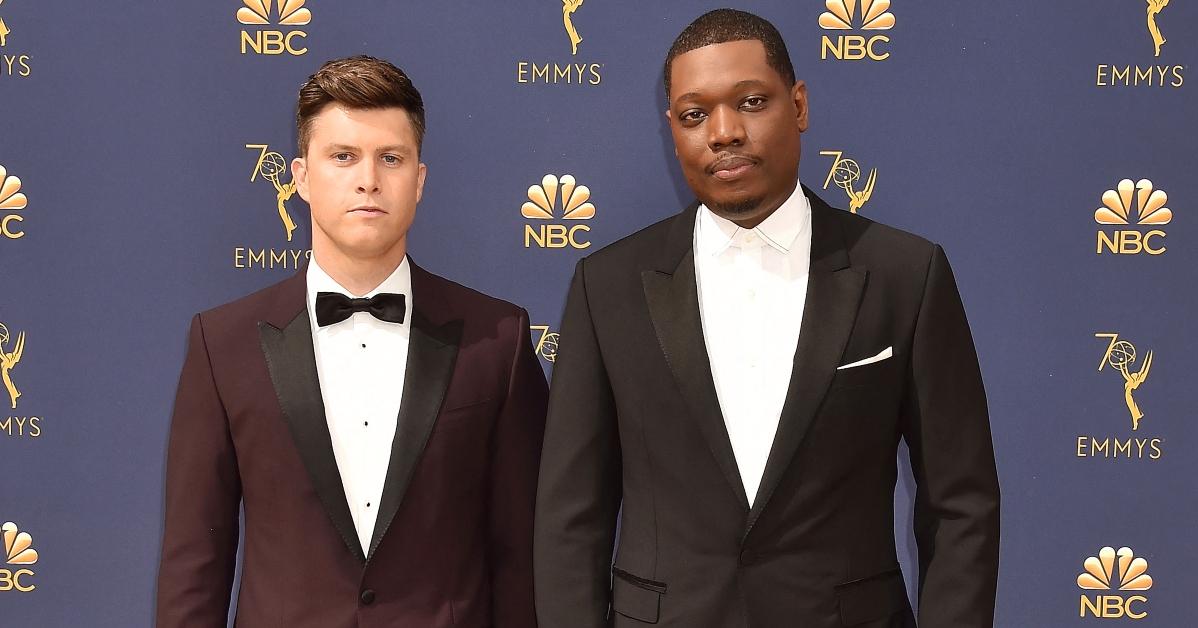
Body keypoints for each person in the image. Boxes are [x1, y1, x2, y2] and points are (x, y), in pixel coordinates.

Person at [533, 9, 999, 628]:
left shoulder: (905, 274)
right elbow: (572, 516)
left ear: (799, 105)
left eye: (751, 101)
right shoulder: (608, 284)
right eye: (695, 115)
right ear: (673, 130)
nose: (723, 132)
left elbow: (960, 503)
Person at [156, 56, 547, 628]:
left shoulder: (499, 341)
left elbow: (524, 559)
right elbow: (195, 560)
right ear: (301, 176)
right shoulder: (222, 344)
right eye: (343, 156)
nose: (368, 179)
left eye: (391, 158)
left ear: (419, 180)